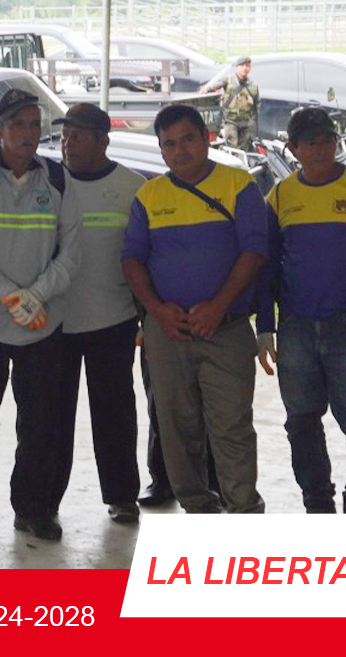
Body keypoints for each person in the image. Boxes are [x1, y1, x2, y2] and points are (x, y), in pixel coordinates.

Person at [0, 88, 81, 543]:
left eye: (34, 124)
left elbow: (72, 250)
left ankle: (32, 508)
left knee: (40, 423)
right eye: (18, 125)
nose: (28, 133)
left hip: (42, 326)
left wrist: (36, 296)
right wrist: (10, 296)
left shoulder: (57, 179)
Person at [122, 103, 269, 514]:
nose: (180, 150)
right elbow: (132, 259)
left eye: (188, 139)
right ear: (161, 150)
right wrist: (156, 311)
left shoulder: (238, 185)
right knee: (175, 427)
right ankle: (197, 508)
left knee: (232, 427)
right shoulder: (149, 195)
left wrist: (219, 306)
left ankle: (243, 510)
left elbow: (255, 251)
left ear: (206, 138)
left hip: (226, 329)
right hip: (167, 333)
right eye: (169, 144)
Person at [262, 107, 346, 514]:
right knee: (301, 421)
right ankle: (317, 502)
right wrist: (265, 326)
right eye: (310, 143)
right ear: (293, 149)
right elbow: (266, 266)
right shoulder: (280, 196)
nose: (320, 150)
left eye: (327, 141)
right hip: (297, 327)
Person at [51, 102, 146, 525]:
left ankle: (122, 496)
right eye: (64, 136)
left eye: (78, 136)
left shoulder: (132, 187)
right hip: (56, 323)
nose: (68, 144)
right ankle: (44, 502)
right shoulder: (48, 182)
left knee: (115, 413)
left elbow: (144, 256)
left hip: (113, 321)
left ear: (103, 141)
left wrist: (146, 317)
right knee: (50, 418)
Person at [205, 57, 261, 151]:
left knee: (244, 148)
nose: (245, 68)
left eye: (247, 66)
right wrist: (205, 90)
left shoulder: (253, 84)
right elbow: (214, 86)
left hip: (246, 121)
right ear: (237, 67)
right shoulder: (228, 79)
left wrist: (253, 122)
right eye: (242, 66)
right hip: (230, 119)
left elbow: (257, 104)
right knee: (232, 146)